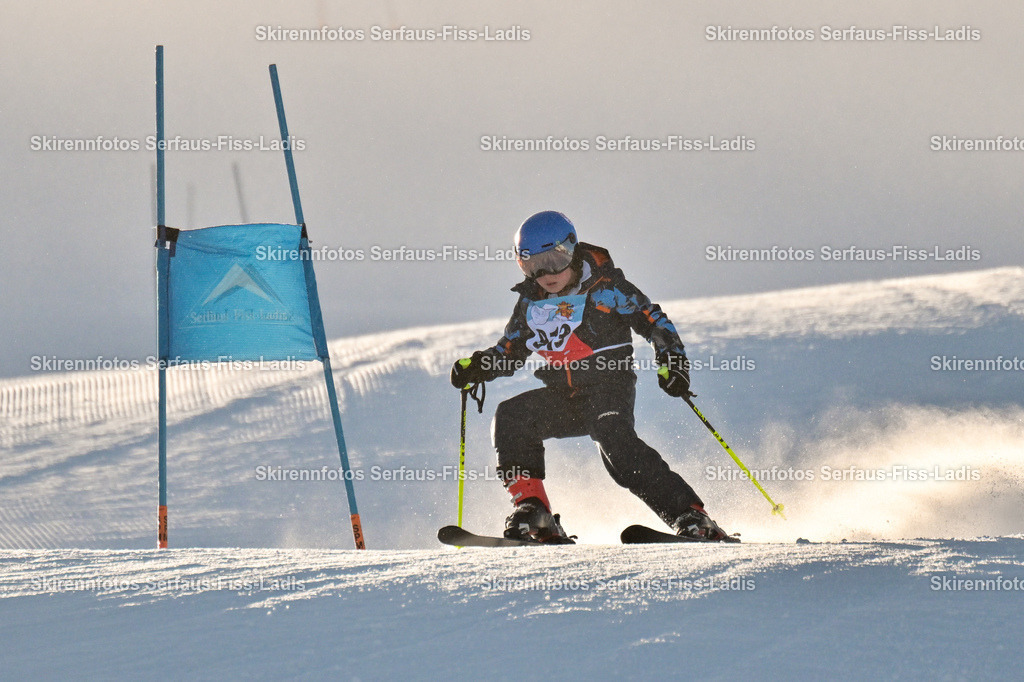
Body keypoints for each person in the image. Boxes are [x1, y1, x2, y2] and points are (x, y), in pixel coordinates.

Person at [450, 210, 733, 543]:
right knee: (512, 416)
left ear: (571, 250)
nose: (545, 274)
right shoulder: (531, 303)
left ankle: (691, 516)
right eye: (532, 265)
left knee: (614, 443)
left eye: (554, 260)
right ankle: (533, 510)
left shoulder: (606, 288)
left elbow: (653, 321)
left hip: (607, 388)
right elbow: (510, 350)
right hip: (564, 396)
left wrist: (672, 360)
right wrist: (479, 365)